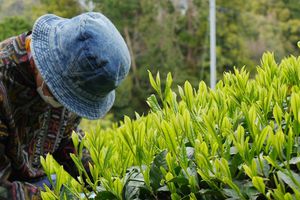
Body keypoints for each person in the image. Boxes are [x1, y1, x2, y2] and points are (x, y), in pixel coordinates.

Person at [0, 12, 131, 199]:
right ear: (45, 63)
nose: (64, 105)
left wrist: (106, 183)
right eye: (62, 94)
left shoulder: (74, 71)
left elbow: (67, 137)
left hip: (34, 181)